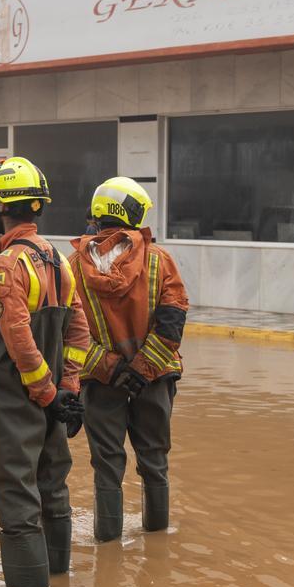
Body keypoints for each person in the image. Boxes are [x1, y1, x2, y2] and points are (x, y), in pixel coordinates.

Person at [0, 156, 92, 587]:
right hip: (54, 400)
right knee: (52, 482)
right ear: (37, 206)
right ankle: (58, 582)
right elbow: (79, 327)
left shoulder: (9, 266)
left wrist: (44, 391)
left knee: (16, 491)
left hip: (16, 400)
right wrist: (68, 387)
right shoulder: (59, 260)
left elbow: (17, 333)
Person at [68, 177, 188, 542]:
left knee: (107, 469)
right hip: (154, 381)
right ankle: (157, 540)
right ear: (133, 213)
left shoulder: (71, 266)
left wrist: (113, 370)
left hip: (101, 385)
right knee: (155, 462)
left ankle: (108, 547)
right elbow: (172, 321)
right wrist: (141, 370)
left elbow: (69, 335)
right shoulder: (159, 261)